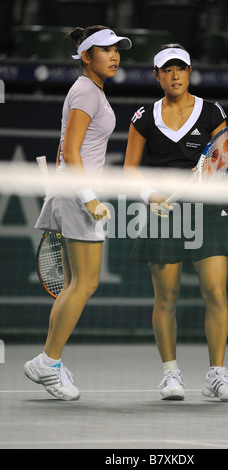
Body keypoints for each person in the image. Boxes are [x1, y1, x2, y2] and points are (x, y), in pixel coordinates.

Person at [124, 44, 228, 401]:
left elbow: (220, 159)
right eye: (167, 70)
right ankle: (171, 375)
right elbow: (129, 171)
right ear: (157, 75)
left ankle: (217, 376)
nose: (175, 75)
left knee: (215, 292)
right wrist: (151, 196)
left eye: (181, 69)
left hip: (207, 211)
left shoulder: (212, 112)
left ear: (189, 72)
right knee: (166, 298)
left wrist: (204, 180)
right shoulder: (143, 117)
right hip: (164, 214)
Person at [24, 25, 132, 400]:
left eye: (117, 49)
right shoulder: (86, 91)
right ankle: (48, 360)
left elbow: (69, 150)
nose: (115, 55)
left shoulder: (90, 90)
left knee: (73, 286)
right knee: (85, 284)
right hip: (77, 195)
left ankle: (50, 363)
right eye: (105, 50)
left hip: (68, 192)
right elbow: (71, 151)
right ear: (86, 56)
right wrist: (89, 199)